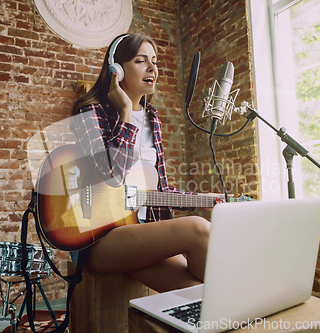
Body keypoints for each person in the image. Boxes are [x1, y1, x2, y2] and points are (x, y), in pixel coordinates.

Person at [70, 33, 219, 292]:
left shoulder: (153, 118)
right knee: (197, 228)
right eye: (141, 61)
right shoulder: (90, 112)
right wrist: (126, 114)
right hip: (97, 238)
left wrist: (202, 199)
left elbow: (154, 191)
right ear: (116, 70)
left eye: (155, 61)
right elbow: (111, 176)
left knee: (203, 293)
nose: (152, 68)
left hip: (139, 232)